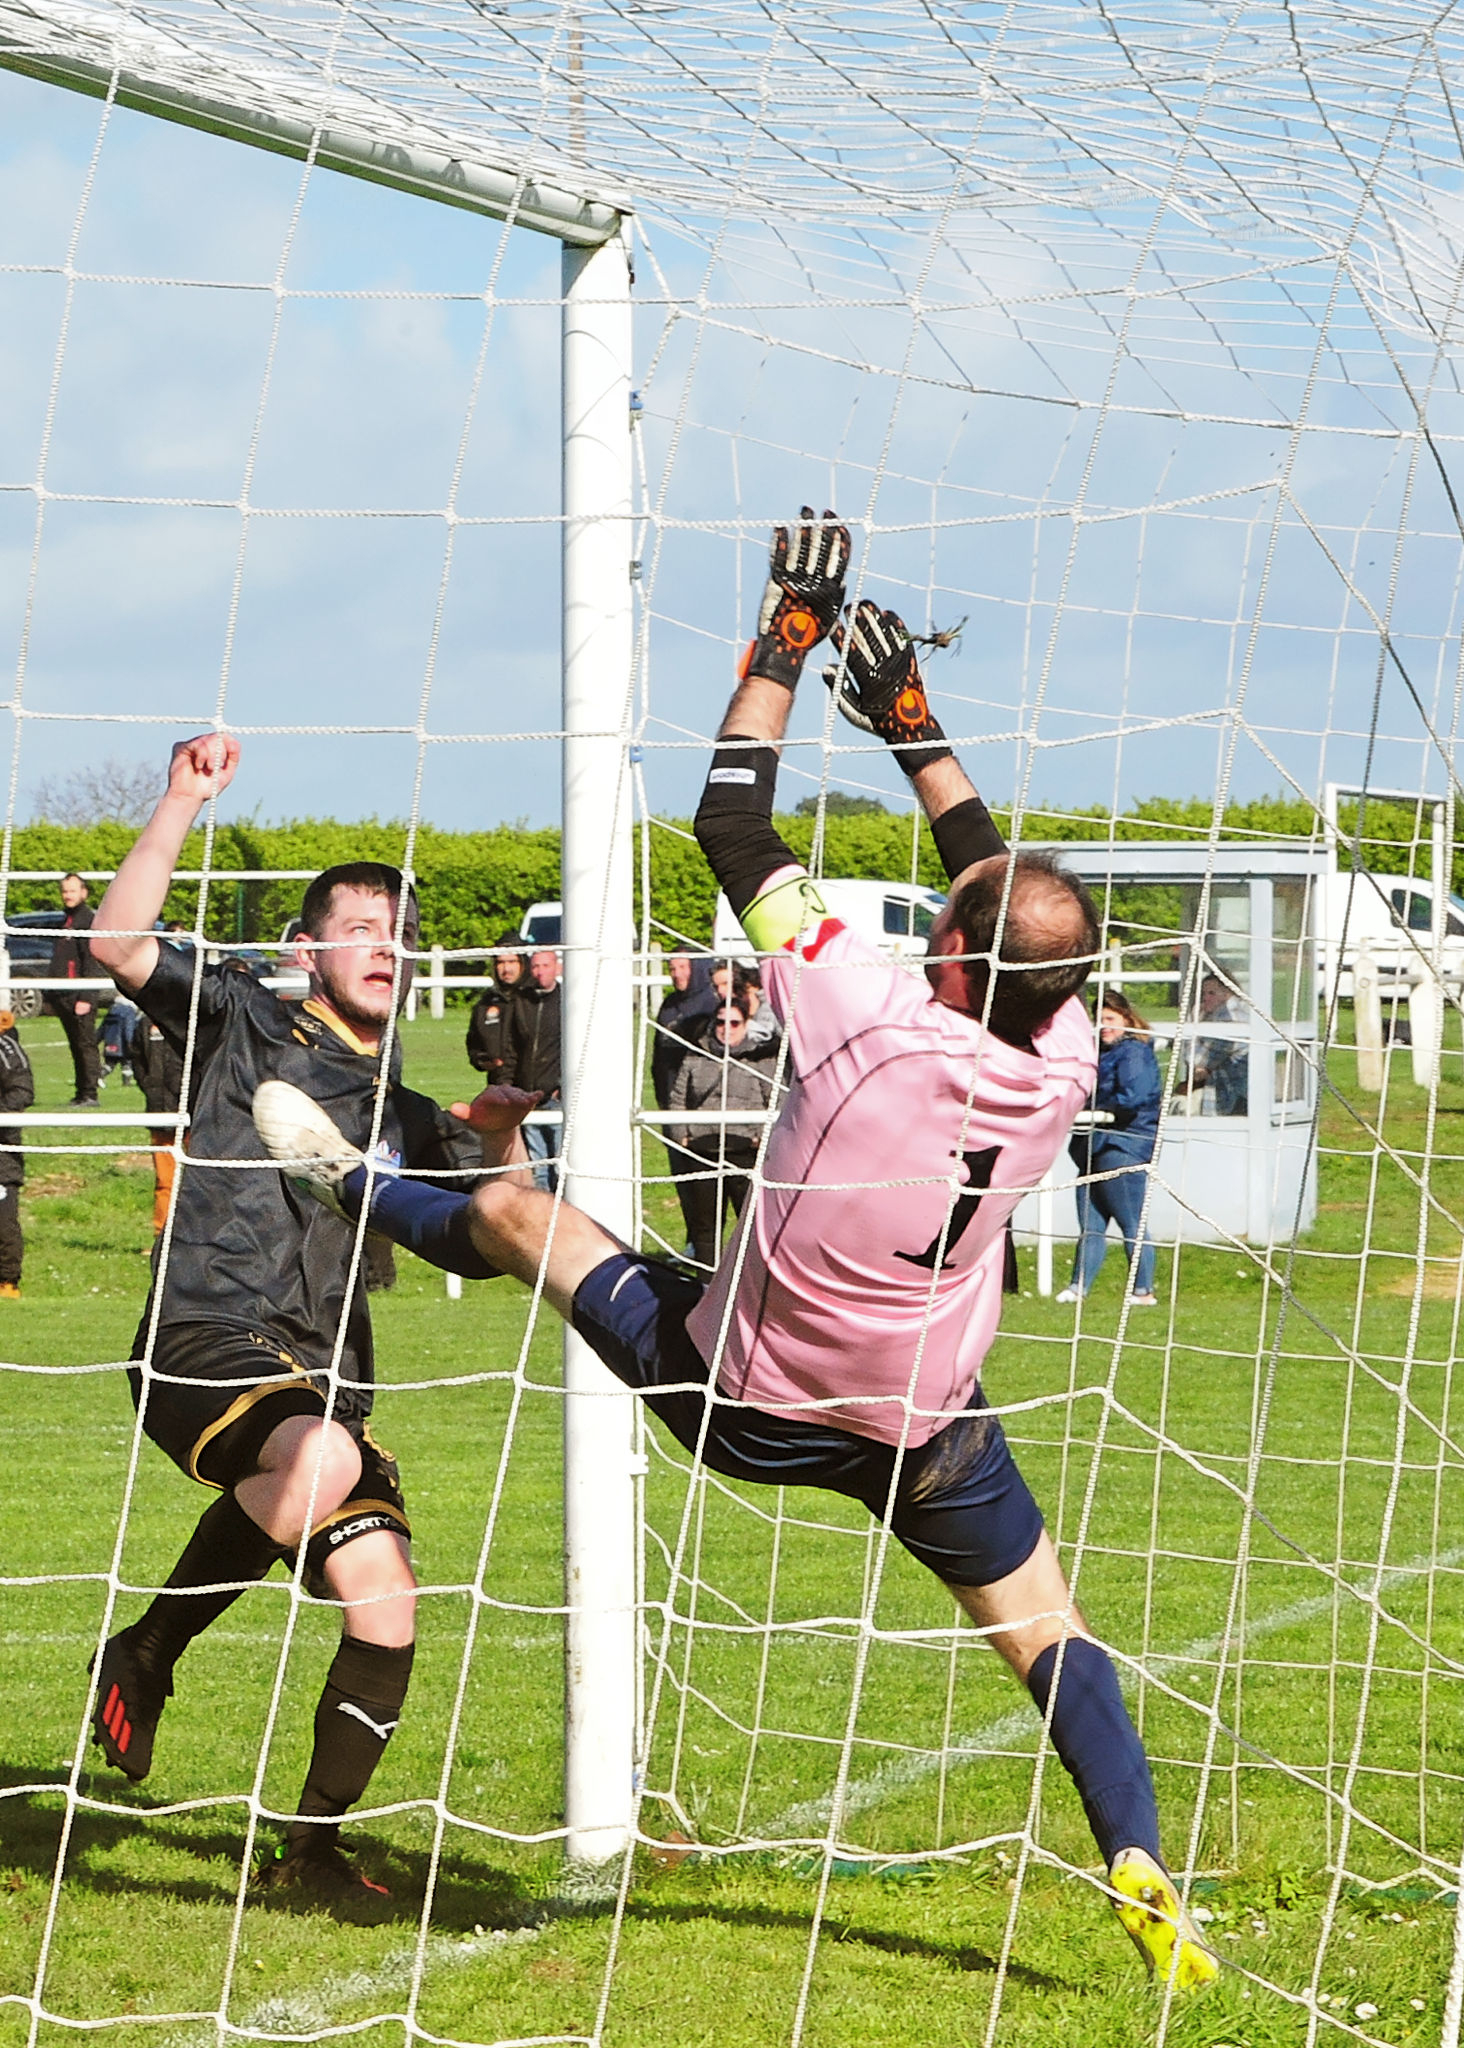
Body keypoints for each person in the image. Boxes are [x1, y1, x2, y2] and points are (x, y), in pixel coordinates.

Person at [253, 512, 1218, 1990]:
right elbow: (1002, 890)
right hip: (925, 1419)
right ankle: (1139, 1861)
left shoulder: (862, 1007)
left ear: (952, 961)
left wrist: (785, 638)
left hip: (747, 1400)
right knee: (1050, 1637)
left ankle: (345, 1187)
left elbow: (734, 829)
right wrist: (914, 724)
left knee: (520, 1215)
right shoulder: (1068, 1052)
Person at [82, 735, 501, 1903]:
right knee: (317, 1452)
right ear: (306, 948)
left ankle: (308, 1852)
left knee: (388, 1598)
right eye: (358, 924)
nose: (383, 943)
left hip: (324, 1379)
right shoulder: (245, 1025)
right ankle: (153, 1646)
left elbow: (488, 1228)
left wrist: (503, 1130)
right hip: (202, 1336)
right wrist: (179, 798)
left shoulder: (406, 1109)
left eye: (394, 927)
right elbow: (117, 942)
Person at [1055, 990, 1162, 1308]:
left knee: (1131, 1222)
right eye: (1099, 1020)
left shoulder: (1133, 1052)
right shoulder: (1098, 1052)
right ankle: (1077, 1289)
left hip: (1122, 1144)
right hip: (1093, 1145)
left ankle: (1143, 1290)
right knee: (1091, 1225)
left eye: (1110, 1019)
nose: (1104, 1026)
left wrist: (1094, 1106)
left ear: (1127, 1020)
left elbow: (1133, 1096)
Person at [667, 997, 782, 1268]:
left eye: (734, 1022)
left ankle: (750, 1282)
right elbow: (678, 1100)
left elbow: (777, 1102)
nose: (726, 1028)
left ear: (745, 1025)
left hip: (745, 1151)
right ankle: (707, 1285)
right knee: (705, 1226)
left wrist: (759, 1139)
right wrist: (682, 1136)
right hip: (702, 1150)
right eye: (720, 1022)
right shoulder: (696, 1055)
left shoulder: (761, 1059)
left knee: (752, 1225)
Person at [127, 1000, 188, 1237]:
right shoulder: (144, 1025)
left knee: (204, 1177)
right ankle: (162, 1235)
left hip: (193, 1112)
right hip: (160, 1113)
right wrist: (152, 1088)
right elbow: (137, 1061)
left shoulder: (189, 1023)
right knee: (165, 1180)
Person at [504, 947, 562, 1190]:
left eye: (545, 966)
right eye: (536, 966)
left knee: (561, 1167)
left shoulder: (566, 1002)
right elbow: (512, 1046)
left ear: (557, 968)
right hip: (529, 1097)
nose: (540, 972)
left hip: (557, 1099)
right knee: (538, 1169)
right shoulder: (522, 1001)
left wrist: (561, 1087)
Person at [50, 871, 101, 1107]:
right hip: (64, 994)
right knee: (75, 1045)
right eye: (64, 891)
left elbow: (91, 961)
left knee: (85, 1044)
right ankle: (81, 1092)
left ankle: (90, 1094)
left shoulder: (87, 921)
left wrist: (86, 996)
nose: (67, 895)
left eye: (72, 890)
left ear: (84, 892)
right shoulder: (66, 920)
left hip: (79, 994)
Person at [648, 950, 718, 1117]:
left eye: (682, 967)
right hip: (670, 1088)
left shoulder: (713, 1002)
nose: (677, 974)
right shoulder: (670, 1004)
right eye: (672, 968)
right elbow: (658, 1051)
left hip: (701, 1091)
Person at [0, 1008, 34, 1298]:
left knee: (3, 1219)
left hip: (2, 1152)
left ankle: (7, 1282)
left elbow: (23, 1091)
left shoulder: (6, 1048)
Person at [1187, 972, 1248, 1117]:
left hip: (1231, 1102)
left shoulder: (1230, 1020)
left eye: (1211, 993)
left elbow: (1194, 1060)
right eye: (1203, 994)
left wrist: (1192, 1022)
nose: (1204, 999)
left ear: (1227, 994)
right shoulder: (1228, 1015)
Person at [465, 946, 525, 1083]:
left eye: (512, 962)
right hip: (500, 1087)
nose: (506, 969)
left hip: (536, 1089)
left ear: (522, 963)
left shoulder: (536, 999)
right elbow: (474, 1043)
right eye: (501, 963)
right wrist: (483, 1060)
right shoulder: (486, 1003)